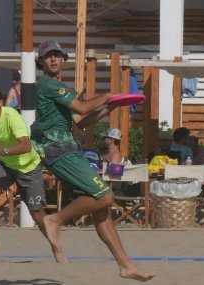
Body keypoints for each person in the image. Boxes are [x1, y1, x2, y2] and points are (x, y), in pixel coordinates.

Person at [31, 40, 154, 281]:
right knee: (105, 196)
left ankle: (125, 265)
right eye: (48, 56)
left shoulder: (56, 86)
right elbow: (82, 106)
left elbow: (80, 121)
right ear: (41, 62)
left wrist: (110, 108)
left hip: (67, 150)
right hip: (60, 151)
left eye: (57, 55)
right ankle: (54, 220)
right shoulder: (47, 84)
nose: (53, 59)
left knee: (102, 208)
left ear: (63, 59)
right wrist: (108, 96)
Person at [0, 83, 67, 263]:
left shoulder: (12, 117)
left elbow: (26, 146)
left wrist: (1, 151)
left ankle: (56, 248)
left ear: (0, 103)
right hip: (4, 164)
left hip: (28, 168)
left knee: (37, 214)